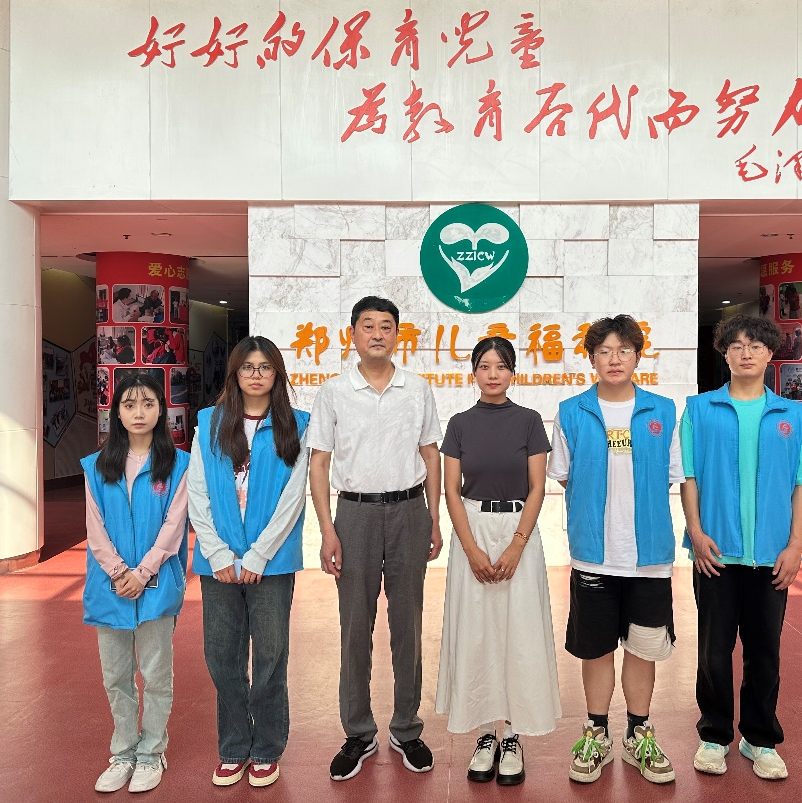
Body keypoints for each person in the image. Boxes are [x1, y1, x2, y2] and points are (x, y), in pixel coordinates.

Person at [680, 315, 802, 782]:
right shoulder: (699, 410)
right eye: (737, 345)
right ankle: (714, 735)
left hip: (771, 557)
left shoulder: (792, 415)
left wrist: (796, 547)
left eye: (755, 345)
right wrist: (696, 532)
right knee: (713, 651)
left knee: (765, 652)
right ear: (724, 353)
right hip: (715, 554)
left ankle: (759, 739)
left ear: (769, 354)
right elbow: (689, 477)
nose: (746, 353)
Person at [308, 296, 443, 781]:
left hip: (409, 511)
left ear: (397, 335)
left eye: (386, 326)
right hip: (355, 515)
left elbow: (431, 454)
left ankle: (407, 728)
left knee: (408, 625)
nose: (378, 334)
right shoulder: (333, 392)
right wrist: (327, 529)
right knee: (355, 626)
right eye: (368, 326)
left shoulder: (417, 389)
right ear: (353, 335)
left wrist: (434, 519)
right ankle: (358, 732)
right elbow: (319, 463)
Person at [547, 315, 684, 786]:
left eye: (624, 350)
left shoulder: (663, 411)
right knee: (597, 648)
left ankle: (638, 734)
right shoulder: (572, 412)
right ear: (591, 358)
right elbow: (563, 475)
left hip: (649, 556)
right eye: (604, 351)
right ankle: (597, 733)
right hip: (593, 555)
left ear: (638, 356)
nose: (614, 359)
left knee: (643, 649)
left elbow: (676, 475)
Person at [435, 337, 560, 787]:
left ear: (513, 373)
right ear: (473, 372)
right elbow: (451, 490)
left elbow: (538, 487)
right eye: (485, 366)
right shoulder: (459, 424)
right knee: (477, 634)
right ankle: (485, 735)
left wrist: (515, 546)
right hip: (472, 529)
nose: (493, 374)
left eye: (501, 366)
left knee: (518, 634)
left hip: (518, 531)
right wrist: (471, 549)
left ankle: (512, 735)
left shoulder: (528, 421)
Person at [188, 336, 310, 789]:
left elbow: (294, 497)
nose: (256, 375)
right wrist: (217, 552)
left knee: (271, 657)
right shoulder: (210, 422)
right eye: (247, 367)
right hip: (218, 563)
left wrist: (259, 554)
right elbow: (197, 491)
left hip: (271, 563)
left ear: (277, 374)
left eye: (265, 367)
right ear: (235, 373)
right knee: (222, 656)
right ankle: (234, 746)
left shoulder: (298, 424)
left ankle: (266, 749)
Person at [82, 372, 189, 794]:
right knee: (116, 677)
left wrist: (142, 573)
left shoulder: (179, 465)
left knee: (157, 675)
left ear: (161, 410)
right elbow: (95, 530)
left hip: (156, 585)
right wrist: (117, 572)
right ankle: (123, 753)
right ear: (117, 413)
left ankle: (151, 753)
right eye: (129, 405)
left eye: (147, 404)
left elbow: (174, 527)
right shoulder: (96, 467)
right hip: (110, 588)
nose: (138, 412)